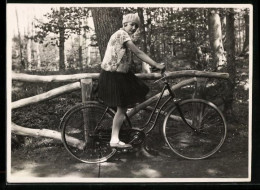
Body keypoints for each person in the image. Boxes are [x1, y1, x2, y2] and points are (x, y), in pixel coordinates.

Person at [98, 13, 165, 149]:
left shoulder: (123, 35)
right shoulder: (122, 34)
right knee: (122, 107)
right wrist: (156, 65)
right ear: (124, 24)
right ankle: (114, 140)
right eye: (131, 24)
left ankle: (124, 133)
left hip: (121, 74)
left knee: (137, 92)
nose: (134, 27)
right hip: (113, 75)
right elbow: (138, 53)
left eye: (136, 25)